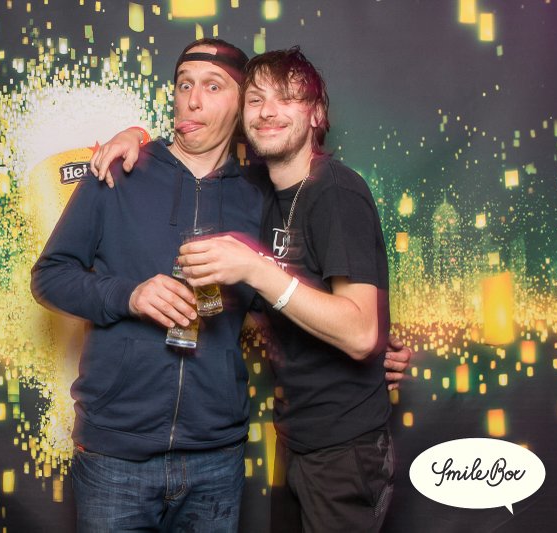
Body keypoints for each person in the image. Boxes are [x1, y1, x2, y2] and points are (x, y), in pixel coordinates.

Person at [91, 47, 406, 532]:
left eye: (288, 98)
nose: (268, 112)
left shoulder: (335, 192)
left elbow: (360, 333)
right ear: (242, 117)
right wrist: (136, 136)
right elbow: (193, 138)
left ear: (316, 114)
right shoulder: (259, 192)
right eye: (256, 100)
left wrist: (256, 269)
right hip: (299, 437)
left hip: (346, 447)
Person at [31, 39, 262, 532]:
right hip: (115, 458)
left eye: (213, 87)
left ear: (242, 103)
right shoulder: (118, 171)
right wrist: (129, 296)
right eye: (184, 84)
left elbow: (281, 302)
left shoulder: (258, 197)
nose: (192, 100)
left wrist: (368, 356)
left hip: (215, 457)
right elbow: (49, 276)